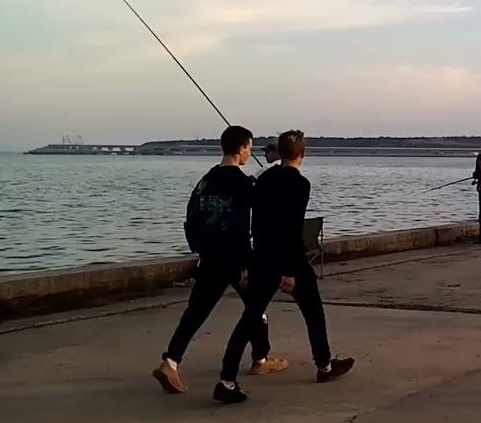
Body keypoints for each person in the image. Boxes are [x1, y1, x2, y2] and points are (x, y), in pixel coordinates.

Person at [216, 130, 354, 404]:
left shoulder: (263, 179)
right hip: (291, 259)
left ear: (278, 153)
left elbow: (258, 221)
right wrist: (288, 272)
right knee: (313, 312)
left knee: (250, 317)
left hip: (262, 256)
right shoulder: (301, 184)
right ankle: (324, 366)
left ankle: (226, 380)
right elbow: (291, 227)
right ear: (303, 154)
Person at [152, 126, 286, 395]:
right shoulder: (242, 183)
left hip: (209, 256)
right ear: (241, 148)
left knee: (196, 312)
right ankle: (260, 359)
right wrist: (247, 261)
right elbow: (251, 218)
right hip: (236, 257)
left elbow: (192, 216)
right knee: (256, 306)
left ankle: (171, 361)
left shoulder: (205, 181)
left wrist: (201, 248)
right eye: (249, 148)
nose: (250, 153)